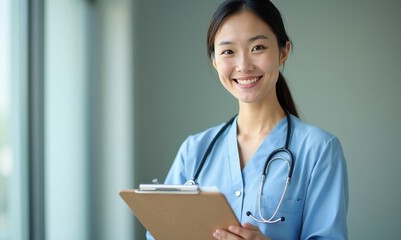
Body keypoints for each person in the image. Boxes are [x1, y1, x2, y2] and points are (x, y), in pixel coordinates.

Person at [148, 0, 348, 239]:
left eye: (258, 47)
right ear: (215, 62)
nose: (243, 65)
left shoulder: (319, 150)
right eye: (228, 52)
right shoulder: (194, 151)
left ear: (283, 51)